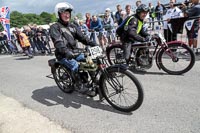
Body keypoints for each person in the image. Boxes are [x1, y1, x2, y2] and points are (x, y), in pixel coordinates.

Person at [49, 2, 97, 93]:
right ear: (59, 14)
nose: (67, 15)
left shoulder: (73, 26)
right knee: (74, 64)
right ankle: (78, 84)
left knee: (90, 61)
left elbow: (83, 38)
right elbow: (58, 42)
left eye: (68, 13)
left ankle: (94, 81)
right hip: (63, 54)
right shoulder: (55, 27)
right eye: (64, 13)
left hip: (75, 52)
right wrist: (66, 51)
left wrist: (94, 44)